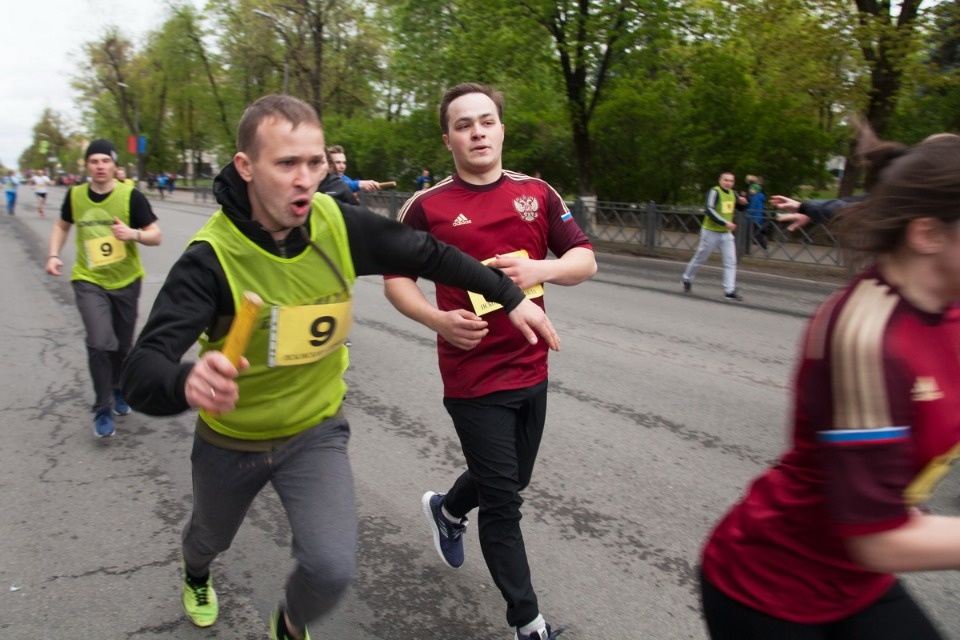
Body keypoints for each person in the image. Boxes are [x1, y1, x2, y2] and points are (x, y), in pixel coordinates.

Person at [118, 94, 559, 640]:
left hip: (314, 432)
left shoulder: (336, 224)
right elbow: (139, 373)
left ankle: (289, 623)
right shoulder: (211, 260)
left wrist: (508, 295)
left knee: (331, 568)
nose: (305, 179)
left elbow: (429, 254)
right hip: (233, 438)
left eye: (315, 162)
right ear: (246, 168)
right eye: (286, 164)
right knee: (209, 536)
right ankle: (196, 571)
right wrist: (187, 381)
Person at [699, 132, 960, 640]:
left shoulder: (948, 305)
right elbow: (876, 538)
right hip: (772, 588)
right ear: (928, 234)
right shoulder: (870, 336)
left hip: (854, 581)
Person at [383, 82, 597, 640]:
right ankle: (528, 623)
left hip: (532, 364)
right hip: (472, 373)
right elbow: (396, 281)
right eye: (463, 124)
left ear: (501, 128)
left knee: (510, 477)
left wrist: (540, 271)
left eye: (485, 121)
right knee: (504, 500)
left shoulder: (537, 193)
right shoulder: (426, 206)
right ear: (448, 138)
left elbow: (584, 258)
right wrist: (438, 321)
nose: (477, 132)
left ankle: (448, 510)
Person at [44, 139, 162, 438]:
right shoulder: (76, 196)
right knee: (100, 342)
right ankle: (102, 407)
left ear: (113, 165)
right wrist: (54, 254)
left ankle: (119, 388)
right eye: (94, 161)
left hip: (126, 281)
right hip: (89, 279)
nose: (100, 166)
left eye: (105, 161)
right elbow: (61, 226)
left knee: (122, 346)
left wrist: (132, 233)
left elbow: (155, 236)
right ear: (87, 165)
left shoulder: (130, 196)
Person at [681, 171, 747, 300]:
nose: (728, 183)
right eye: (725, 180)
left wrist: (743, 203)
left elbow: (740, 208)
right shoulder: (714, 192)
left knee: (730, 261)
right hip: (710, 232)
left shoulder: (733, 193)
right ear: (720, 181)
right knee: (700, 257)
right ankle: (687, 278)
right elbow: (709, 210)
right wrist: (725, 222)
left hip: (725, 234)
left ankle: (729, 290)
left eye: (731, 181)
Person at [746, 182, 768, 254]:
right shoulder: (759, 197)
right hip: (758, 219)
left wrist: (747, 215)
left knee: (750, 234)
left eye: (751, 189)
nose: (750, 190)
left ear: (755, 190)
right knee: (756, 234)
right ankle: (764, 246)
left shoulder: (755, 198)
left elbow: (752, 208)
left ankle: (747, 250)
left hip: (753, 218)